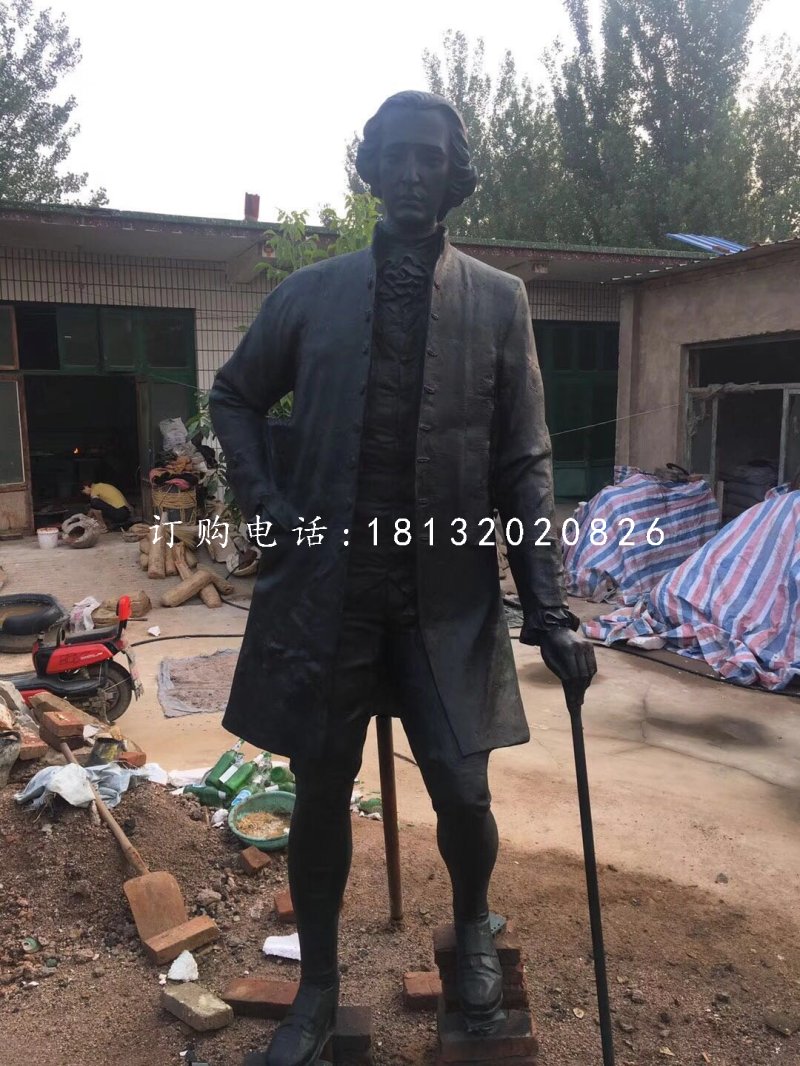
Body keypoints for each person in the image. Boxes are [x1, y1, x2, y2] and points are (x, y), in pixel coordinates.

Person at [210, 90, 597, 1066]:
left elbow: (523, 461)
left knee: (463, 790)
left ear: (454, 174)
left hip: (448, 600)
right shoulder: (311, 295)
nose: (414, 173)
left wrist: (548, 607)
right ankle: (318, 986)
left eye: (431, 157)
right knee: (319, 791)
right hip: (328, 595)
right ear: (371, 168)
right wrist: (264, 502)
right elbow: (235, 394)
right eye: (396, 155)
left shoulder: (498, 302)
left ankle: (472, 927)